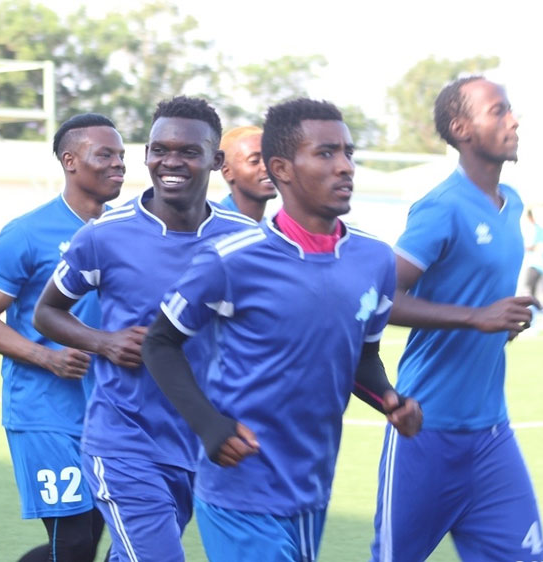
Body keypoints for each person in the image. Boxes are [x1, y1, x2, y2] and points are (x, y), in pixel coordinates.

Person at [140, 98, 423, 562]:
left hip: (311, 486)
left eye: (348, 153)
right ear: (282, 169)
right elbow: (160, 344)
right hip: (240, 488)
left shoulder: (374, 260)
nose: (345, 167)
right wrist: (209, 426)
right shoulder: (231, 259)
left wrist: (391, 400)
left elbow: (361, 357)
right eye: (326, 153)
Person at [33, 96, 256, 562]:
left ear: (215, 161)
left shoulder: (247, 239)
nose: (170, 161)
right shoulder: (104, 235)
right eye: (159, 149)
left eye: (188, 152)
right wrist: (104, 342)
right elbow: (47, 313)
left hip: (203, 441)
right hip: (124, 439)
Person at [370, 76, 543, 561]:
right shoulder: (441, 208)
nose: (513, 120)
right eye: (498, 111)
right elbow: (381, 298)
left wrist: (502, 323)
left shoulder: (511, 206)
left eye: (510, 109)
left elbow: (481, 303)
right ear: (461, 128)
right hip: (426, 430)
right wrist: (475, 318)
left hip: (492, 435)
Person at [0, 113, 125, 562]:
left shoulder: (125, 232)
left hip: (107, 410)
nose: (119, 165)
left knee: (88, 540)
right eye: (106, 155)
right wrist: (47, 357)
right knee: (73, 540)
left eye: (121, 156)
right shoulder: (26, 233)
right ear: (70, 161)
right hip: (44, 411)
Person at [218, 125, 277, 221]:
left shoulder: (271, 228)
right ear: (227, 172)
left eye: (269, 158)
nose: (266, 167)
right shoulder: (216, 229)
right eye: (254, 161)